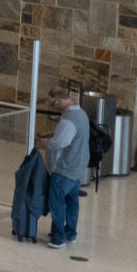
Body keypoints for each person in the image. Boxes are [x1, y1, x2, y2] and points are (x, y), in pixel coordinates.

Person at [42, 88, 89, 250]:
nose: (54, 106)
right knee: (72, 200)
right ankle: (70, 233)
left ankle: (58, 237)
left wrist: (46, 142)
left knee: (57, 202)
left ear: (61, 100)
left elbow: (60, 143)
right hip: (77, 166)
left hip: (64, 168)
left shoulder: (69, 119)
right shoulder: (82, 114)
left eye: (54, 102)